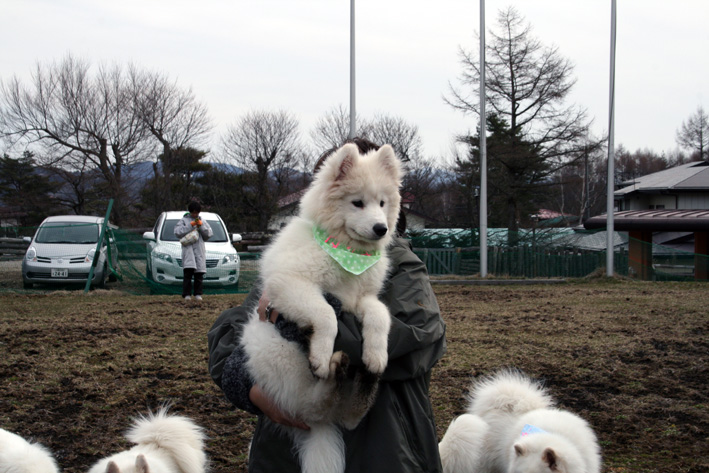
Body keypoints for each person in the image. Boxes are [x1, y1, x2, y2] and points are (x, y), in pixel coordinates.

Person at [207, 138, 447, 472]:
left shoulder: (402, 266)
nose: (376, 216)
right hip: (285, 452)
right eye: (358, 202)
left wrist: (298, 322)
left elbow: (416, 342)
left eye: (380, 201)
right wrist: (249, 386)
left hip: (382, 453)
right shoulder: (305, 245)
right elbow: (236, 329)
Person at [174, 201, 212, 301]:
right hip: (188, 250)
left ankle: (198, 294)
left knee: (199, 274)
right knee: (188, 273)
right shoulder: (183, 220)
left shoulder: (202, 220)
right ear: (190, 212)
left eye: (196, 212)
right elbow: (177, 232)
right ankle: (186, 294)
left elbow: (208, 234)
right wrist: (190, 225)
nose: (195, 214)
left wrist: (201, 226)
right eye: (193, 212)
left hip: (199, 250)